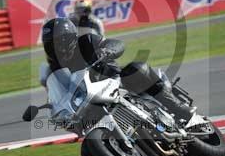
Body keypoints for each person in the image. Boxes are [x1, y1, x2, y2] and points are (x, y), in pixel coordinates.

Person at [41, 17, 194, 125]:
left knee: (136, 68)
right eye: (51, 45)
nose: (57, 48)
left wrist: (107, 50)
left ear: (71, 39)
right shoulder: (55, 68)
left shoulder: (87, 41)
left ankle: (176, 106)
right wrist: (54, 105)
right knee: (88, 152)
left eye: (60, 42)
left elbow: (117, 44)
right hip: (90, 99)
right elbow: (57, 92)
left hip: (116, 82)